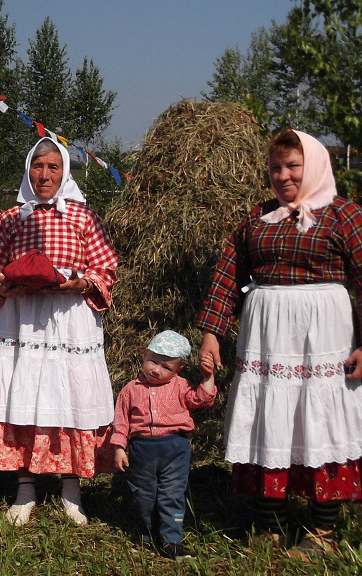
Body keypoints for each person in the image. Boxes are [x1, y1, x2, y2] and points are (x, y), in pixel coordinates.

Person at [197, 128, 362, 557]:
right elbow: (228, 277)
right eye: (275, 168)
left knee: (321, 420)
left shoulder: (344, 215)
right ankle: (272, 523)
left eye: (292, 166)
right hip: (267, 337)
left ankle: (324, 530)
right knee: (268, 418)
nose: (283, 176)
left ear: (314, 166)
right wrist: (213, 333)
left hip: (324, 337)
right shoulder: (258, 216)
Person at [0, 137, 119, 526]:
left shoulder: (83, 218)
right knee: (27, 391)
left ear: (65, 172)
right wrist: (3, 285)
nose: (45, 174)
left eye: (53, 167)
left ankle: (71, 491)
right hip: (24, 318)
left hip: (70, 319)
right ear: (28, 170)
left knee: (69, 394)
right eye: (38, 166)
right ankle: (25, 489)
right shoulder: (12, 219)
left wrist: (80, 284)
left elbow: (105, 267)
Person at [111, 331, 217, 559]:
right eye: (153, 361)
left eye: (166, 367)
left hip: (175, 448)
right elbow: (121, 420)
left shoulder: (181, 386)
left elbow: (202, 399)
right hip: (142, 449)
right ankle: (147, 537)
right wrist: (119, 447)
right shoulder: (130, 389)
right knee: (144, 495)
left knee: (172, 493)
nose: (156, 370)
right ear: (144, 354)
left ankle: (172, 541)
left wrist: (208, 377)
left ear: (178, 370)